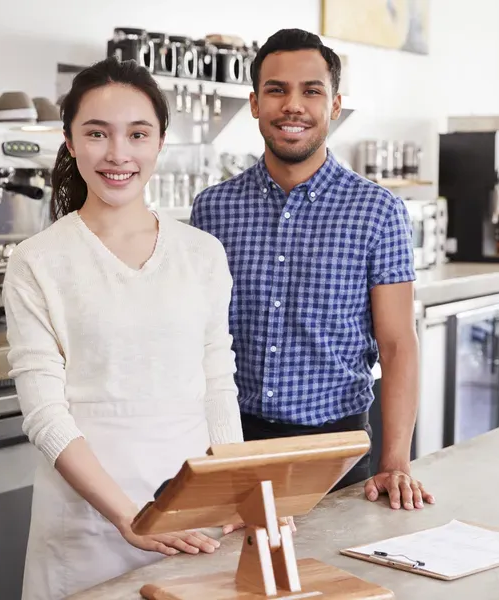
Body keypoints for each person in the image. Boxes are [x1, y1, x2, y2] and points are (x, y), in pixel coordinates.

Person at [2, 57, 243, 600]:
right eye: (96, 133)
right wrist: (127, 514)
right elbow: (44, 413)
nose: (118, 154)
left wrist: (237, 492)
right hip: (85, 528)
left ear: (160, 142)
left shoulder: (202, 254)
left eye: (138, 134)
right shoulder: (38, 261)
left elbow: (217, 382)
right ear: (69, 142)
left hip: (192, 517)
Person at [191, 29, 434, 513]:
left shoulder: (377, 211)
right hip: (232, 440)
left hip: (338, 450)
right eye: (277, 90)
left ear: (335, 104)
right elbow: (195, 336)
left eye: (312, 90)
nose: (293, 105)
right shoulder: (212, 209)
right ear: (255, 103)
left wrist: (396, 462)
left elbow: (397, 342)